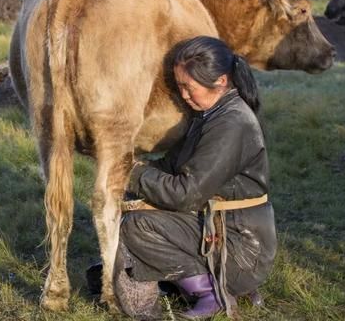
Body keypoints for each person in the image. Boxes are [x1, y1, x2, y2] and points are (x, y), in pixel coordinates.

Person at [113, 35, 277, 320]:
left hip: (243, 251)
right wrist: (128, 167)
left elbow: (185, 194)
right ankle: (217, 284)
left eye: (189, 87)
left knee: (135, 226)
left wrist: (131, 173)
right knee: (127, 207)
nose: (184, 96)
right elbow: (169, 166)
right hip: (225, 230)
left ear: (221, 81)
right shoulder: (209, 115)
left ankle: (210, 293)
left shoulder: (231, 123)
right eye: (180, 87)